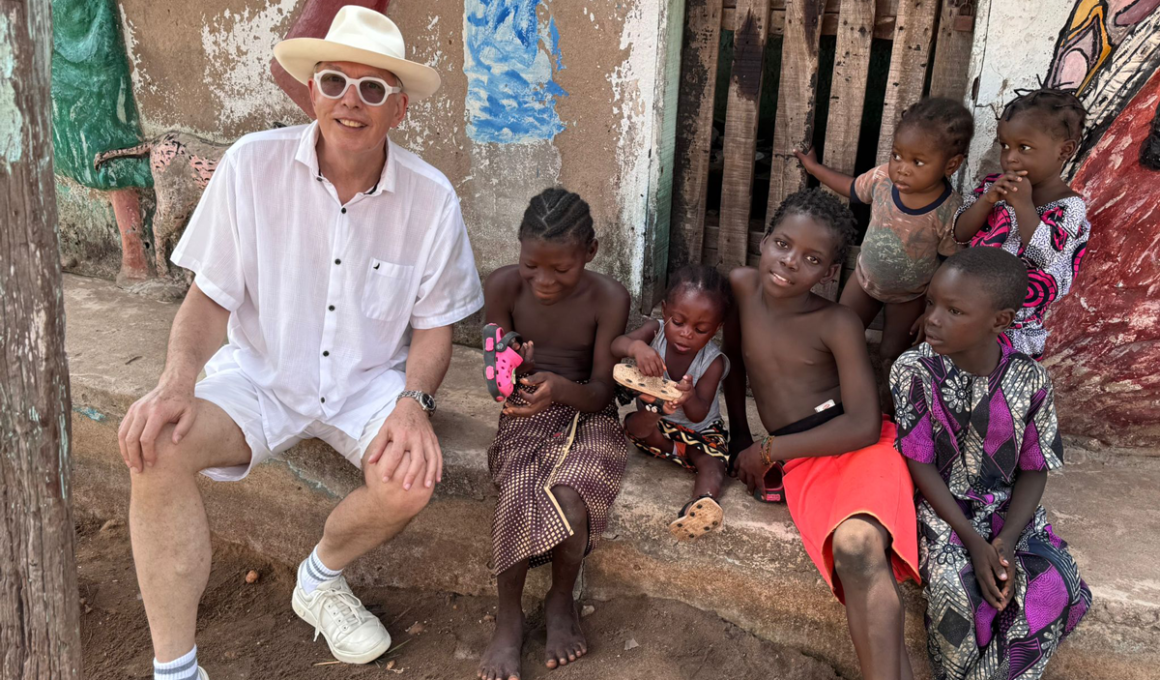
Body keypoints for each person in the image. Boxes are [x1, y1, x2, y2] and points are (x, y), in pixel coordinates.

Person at [115, 8, 484, 679]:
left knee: (409, 481)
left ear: (398, 109)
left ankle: (319, 579)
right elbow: (209, 298)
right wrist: (174, 382)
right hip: (261, 374)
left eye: (373, 90)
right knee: (156, 446)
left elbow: (435, 326)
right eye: (336, 81)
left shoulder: (432, 200)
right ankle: (176, 670)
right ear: (311, 89)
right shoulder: (252, 167)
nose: (352, 101)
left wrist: (414, 403)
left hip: (368, 382)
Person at [724, 189, 921, 680]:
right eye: (783, 245)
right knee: (852, 553)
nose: (790, 263)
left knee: (858, 547)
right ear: (764, 241)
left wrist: (769, 448)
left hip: (859, 448)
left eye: (811, 259)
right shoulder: (742, 288)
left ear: (830, 273)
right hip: (804, 462)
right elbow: (733, 369)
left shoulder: (837, 322)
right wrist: (740, 442)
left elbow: (862, 424)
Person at [891, 248, 1091, 679]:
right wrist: (972, 542)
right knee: (952, 589)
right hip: (942, 511)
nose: (934, 319)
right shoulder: (913, 370)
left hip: (1010, 514)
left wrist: (1004, 543)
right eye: (931, 304)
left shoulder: (1030, 379)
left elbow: (1035, 467)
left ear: (1000, 321)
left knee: (1050, 584)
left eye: (954, 310)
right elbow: (919, 462)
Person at [478, 187, 631, 680]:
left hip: (589, 416)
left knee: (569, 496)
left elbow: (604, 391)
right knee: (519, 489)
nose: (543, 281)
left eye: (561, 269)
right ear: (518, 251)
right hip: (525, 414)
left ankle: (560, 601)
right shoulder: (502, 287)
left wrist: (562, 387)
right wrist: (514, 370)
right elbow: (495, 380)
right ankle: (508, 617)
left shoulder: (609, 298)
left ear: (590, 252)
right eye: (532, 266)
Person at [795, 97, 973, 378]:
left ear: (951, 165)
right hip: (865, 280)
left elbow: (951, 266)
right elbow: (852, 188)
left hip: (910, 296)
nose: (902, 167)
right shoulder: (882, 180)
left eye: (918, 161)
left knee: (893, 353)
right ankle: (826, 389)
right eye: (897, 155)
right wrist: (814, 169)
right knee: (839, 335)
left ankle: (887, 407)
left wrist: (932, 308)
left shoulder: (950, 211)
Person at [950, 88, 1090, 360]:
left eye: (1023, 148)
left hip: (1015, 330)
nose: (1010, 158)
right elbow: (959, 233)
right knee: (955, 382)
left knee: (999, 394)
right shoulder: (992, 187)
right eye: (1005, 145)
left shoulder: (1069, 207)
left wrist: (1024, 206)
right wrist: (988, 200)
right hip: (966, 312)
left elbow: (1044, 256)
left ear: (1065, 150)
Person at [611, 264, 732, 538]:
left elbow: (700, 413)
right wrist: (636, 347)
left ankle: (702, 503)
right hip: (658, 428)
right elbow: (616, 345)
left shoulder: (712, 363)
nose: (687, 333)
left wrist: (688, 397)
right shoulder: (655, 332)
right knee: (633, 426)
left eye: (701, 329)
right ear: (665, 311)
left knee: (714, 462)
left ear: (716, 329)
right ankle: (670, 437)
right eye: (678, 323)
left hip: (699, 432)